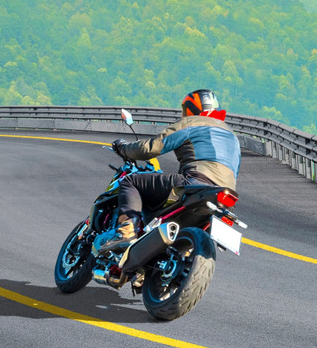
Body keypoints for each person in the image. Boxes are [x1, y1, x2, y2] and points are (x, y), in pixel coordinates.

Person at [100, 89, 241, 253]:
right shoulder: (232, 136)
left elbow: (151, 147)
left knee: (131, 181)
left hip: (197, 182)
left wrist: (124, 149)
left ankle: (127, 230)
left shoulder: (191, 123)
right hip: (226, 197)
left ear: (191, 108)